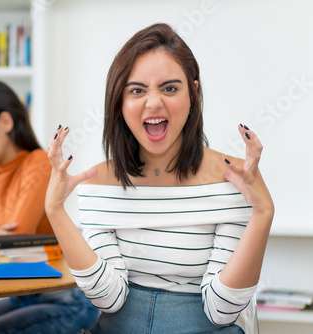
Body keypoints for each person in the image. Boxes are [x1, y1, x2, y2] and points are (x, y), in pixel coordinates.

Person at [45, 23, 274, 334]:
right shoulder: (98, 181)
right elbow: (108, 299)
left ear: (193, 94)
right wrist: (55, 212)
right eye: (137, 90)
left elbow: (221, 311)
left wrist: (263, 213)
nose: (153, 103)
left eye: (170, 88)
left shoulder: (234, 177)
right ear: (120, 102)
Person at [0, 80, 100, 334]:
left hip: (66, 298)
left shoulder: (38, 164)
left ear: (5, 122)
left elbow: (16, 238)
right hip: (25, 293)